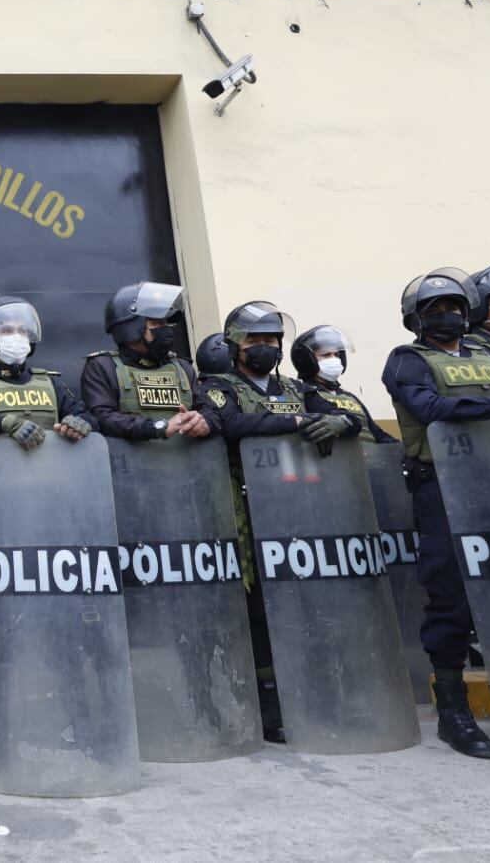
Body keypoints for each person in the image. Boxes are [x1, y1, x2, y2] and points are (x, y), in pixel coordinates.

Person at [383, 267, 490, 760]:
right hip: (441, 485)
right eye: (435, 310)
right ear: (416, 319)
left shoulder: (489, 354)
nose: (447, 316)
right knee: (451, 594)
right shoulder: (407, 359)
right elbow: (431, 406)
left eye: (455, 308)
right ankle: (453, 711)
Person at [198, 301, 357, 743]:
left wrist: (341, 422)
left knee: (306, 601)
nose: (266, 348)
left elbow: (344, 414)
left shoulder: (294, 386)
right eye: (256, 341)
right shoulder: (216, 386)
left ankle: (316, 692)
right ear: (235, 346)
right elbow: (231, 423)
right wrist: (299, 421)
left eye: (272, 340)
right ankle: (268, 702)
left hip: (301, 509)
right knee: (259, 606)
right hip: (246, 510)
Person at [0, 296, 92, 449]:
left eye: (22, 331)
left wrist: (77, 424)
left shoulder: (50, 383)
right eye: (7, 331)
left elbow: (87, 418)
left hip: (51, 470)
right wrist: (3, 423)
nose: (17, 337)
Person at [82, 281, 218, 441]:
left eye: (166, 323)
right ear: (131, 328)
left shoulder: (182, 367)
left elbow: (210, 410)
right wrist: (156, 427)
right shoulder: (104, 366)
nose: (166, 329)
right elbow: (102, 418)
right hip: (129, 464)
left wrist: (205, 422)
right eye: (157, 323)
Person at [290, 325, 397, 443]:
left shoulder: (350, 397)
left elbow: (376, 432)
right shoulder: (305, 394)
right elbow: (329, 412)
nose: (334, 359)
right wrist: (347, 421)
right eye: (326, 355)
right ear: (307, 361)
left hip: (368, 459)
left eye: (337, 355)